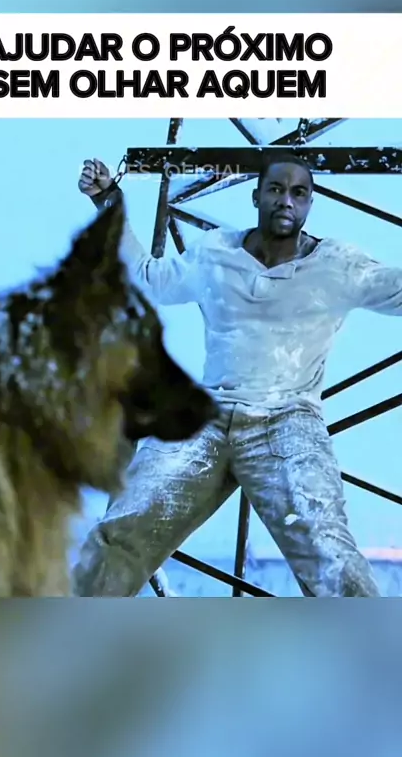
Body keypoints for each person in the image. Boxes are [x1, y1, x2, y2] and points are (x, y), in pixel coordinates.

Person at [74, 153, 402, 597]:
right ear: (256, 196)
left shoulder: (337, 265)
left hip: (287, 419)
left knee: (329, 553)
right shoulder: (216, 253)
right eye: (276, 189)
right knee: (120, 531)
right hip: (208, 415)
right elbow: (150, 278)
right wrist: (108, 200)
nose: (286, 201)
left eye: (299, 193)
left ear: (309, 204)